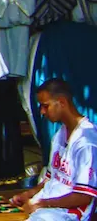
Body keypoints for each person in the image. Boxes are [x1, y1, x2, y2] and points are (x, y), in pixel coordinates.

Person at [10, 79, 97, 220]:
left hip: (67, 214)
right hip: (47, 206)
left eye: (45, 106)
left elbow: (83, 197)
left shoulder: (87, 141)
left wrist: (43, 204)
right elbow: (50, 179)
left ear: (62, 102)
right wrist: (28, 194)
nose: (42, 112)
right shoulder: (59, 135)